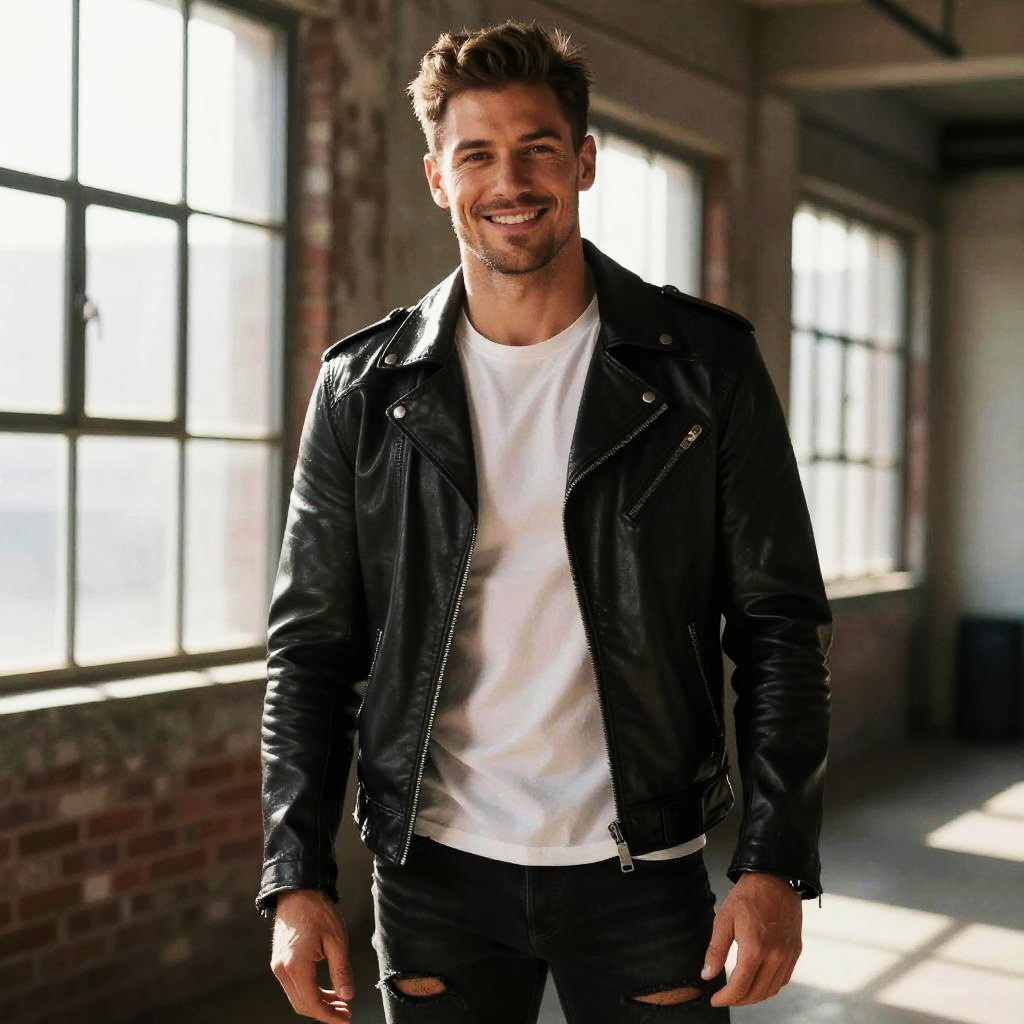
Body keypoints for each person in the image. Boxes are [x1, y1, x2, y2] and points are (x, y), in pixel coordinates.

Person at [256, 18, 832, 1024]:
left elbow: (778, 626)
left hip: (640, 867)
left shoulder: (703, 368)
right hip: (432, 872)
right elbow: (310, 647)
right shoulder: (365, 387)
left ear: (584, 161)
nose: (508, 181)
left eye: (536, 149)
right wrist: (295, 877)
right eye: (475, 153)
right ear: (438, 177)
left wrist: (773, 858)